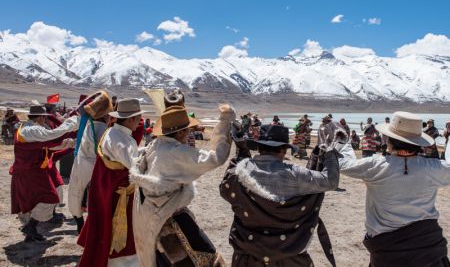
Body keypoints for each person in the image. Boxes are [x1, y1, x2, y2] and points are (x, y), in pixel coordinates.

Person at [220, 124, 341, 267]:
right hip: (290, 260)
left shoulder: (238, 173)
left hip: (247, 258)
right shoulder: (296, 174)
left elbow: (226, 189)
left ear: (259, 148)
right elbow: (331, 181)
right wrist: (329, 151)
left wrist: (242, 150)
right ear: (284, 151)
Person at [339, 112, 450, 267]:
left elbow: (343, 165)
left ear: (390, 140)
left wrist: (342, 144)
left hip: (387, 251)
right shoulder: (433, 168)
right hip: (429, 251)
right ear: (418, 142)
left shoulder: (375, 165)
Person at [130, 104, 234, 266]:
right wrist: (225, 121)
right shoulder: (175, 152)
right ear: (180, 132)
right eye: (187, 130)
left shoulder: (155, 146)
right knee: (204, 261)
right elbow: (216, 157)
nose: (189, 133)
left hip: (151, 218)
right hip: (171, 220)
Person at [78, 98, 145, 267]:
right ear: (130, 120)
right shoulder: (120, 140)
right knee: (121, 243)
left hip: (110, 194)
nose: (139, 124)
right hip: (119, 199)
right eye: (137, 120)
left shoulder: (114, 133)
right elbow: (134, 165)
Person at [10, 105, 80, 241]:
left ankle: (31, 230)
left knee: (35, 199)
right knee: (50, 198)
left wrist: (72, 143)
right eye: (45, 117)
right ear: (41, 117)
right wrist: (71, 124)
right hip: (29, 172)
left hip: (31, 171)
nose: (46, 120)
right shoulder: (31, 130)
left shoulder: (29, 129)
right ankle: (30, 226)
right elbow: (51, 136)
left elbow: (50, 144)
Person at [68, 92, 113, 234]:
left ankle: (79, 223)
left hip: (81, 162)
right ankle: (87, 227)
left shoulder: (89, 124)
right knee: (95, 197)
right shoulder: (101, 128)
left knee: (77, 192)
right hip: (93, 165)